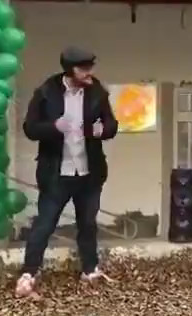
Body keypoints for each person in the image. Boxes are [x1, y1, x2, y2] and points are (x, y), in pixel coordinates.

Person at [15, 46, 119, 297]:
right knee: (45, 224)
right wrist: (54, 127)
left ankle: (90, 270)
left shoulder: (97, 92)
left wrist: (99, 131)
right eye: (84, 68)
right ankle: (29, 273)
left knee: (88, 224)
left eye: (90, 67)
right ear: (70, 69)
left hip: (89, 173)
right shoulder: (46, 92)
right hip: (56, 175)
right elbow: (30, 128)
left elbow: (112, 125)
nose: (89, 72)